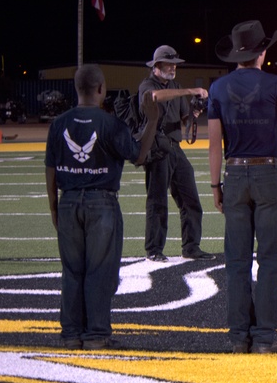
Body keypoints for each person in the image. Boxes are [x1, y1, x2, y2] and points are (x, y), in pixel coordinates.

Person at [208, 21, 277, 354]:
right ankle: (264, 338)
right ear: (262, 52)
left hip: (234, 174)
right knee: (270, 260)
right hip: (268, 174)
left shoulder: (218, 88)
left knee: (237, 261)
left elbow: (215, 145)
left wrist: (216, 185)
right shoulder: (276, 84)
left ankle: (237, 336)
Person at [45, 64, 159, 349]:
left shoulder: (58, 123)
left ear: (77, 88)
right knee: (100, 270)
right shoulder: (109, 123)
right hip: (102, 202)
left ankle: (71, 334)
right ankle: (96, 334)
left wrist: (54, 208)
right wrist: (152, 121)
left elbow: (49, 170)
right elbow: (140, 156)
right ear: (100, 89)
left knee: (72, 271)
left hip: (68, 200)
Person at [139, 45, 213, 262]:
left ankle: (191, 247)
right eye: (169, 64)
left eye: (175, 64)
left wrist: (193, 113)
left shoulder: (176, 86)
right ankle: (153, 249)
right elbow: (154, 97)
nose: (173, 68)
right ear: (156, 67)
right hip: (155, 149)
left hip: (174, 148)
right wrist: (190, 91)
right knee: (157, 201)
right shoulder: (148, 85)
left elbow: (183, 119)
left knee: (191, 199)